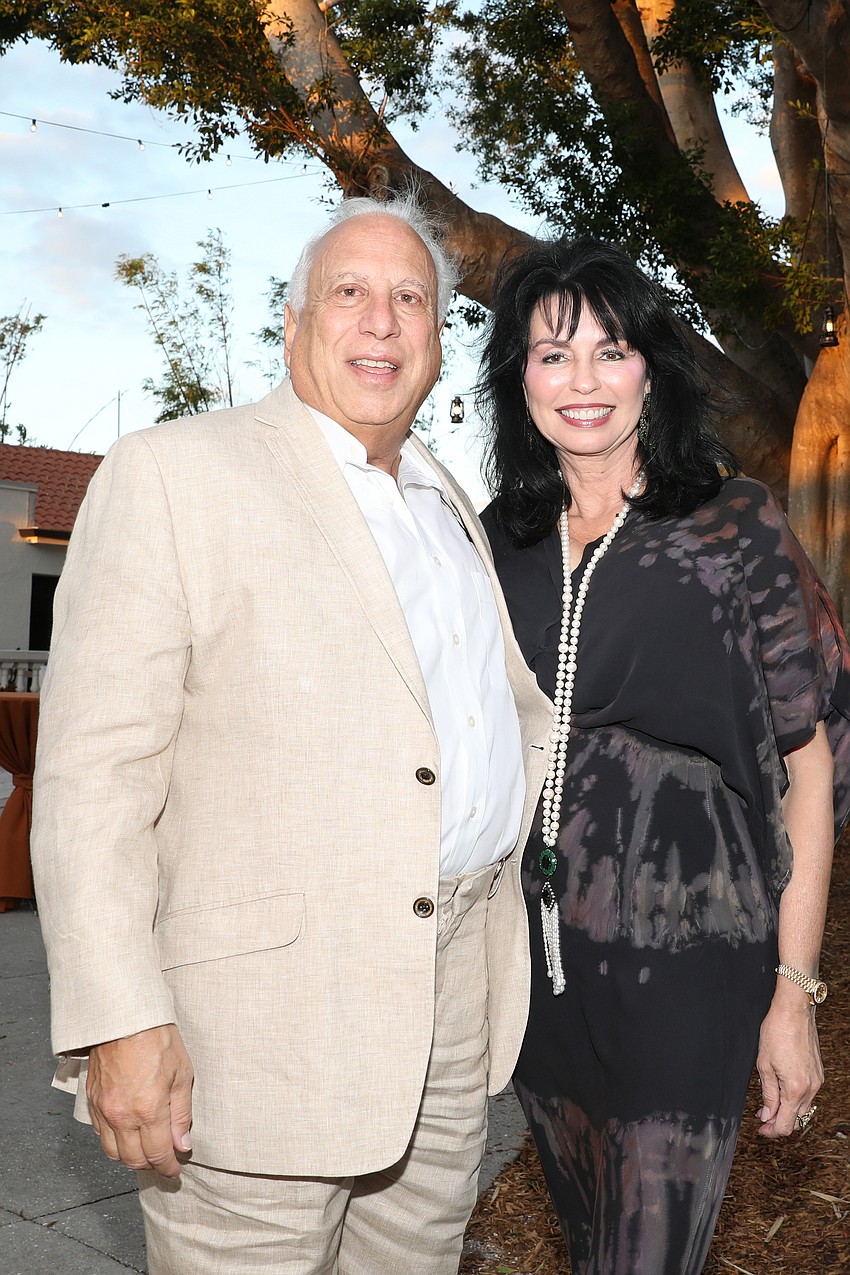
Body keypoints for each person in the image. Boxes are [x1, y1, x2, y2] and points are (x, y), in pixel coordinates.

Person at [31, 193, 552, 1275]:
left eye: (410, 298)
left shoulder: (445, 497)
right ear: (292, 324)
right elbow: (92, 782)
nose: (381, 320)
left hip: (450, 1005)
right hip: (258, 1033)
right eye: (349, 292)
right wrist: (121, 1020)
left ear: (438, 340)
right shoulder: (175, 474)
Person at [477, 235, 850, 1275]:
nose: (583, 380)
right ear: (519, 376)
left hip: (694, 946)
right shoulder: (491, 539)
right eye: (553, 355)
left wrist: (794, 991)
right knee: (591, 1241)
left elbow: (806, 767)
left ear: (654, 366)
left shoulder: (734, 523)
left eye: (612, 350)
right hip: (535, 967)